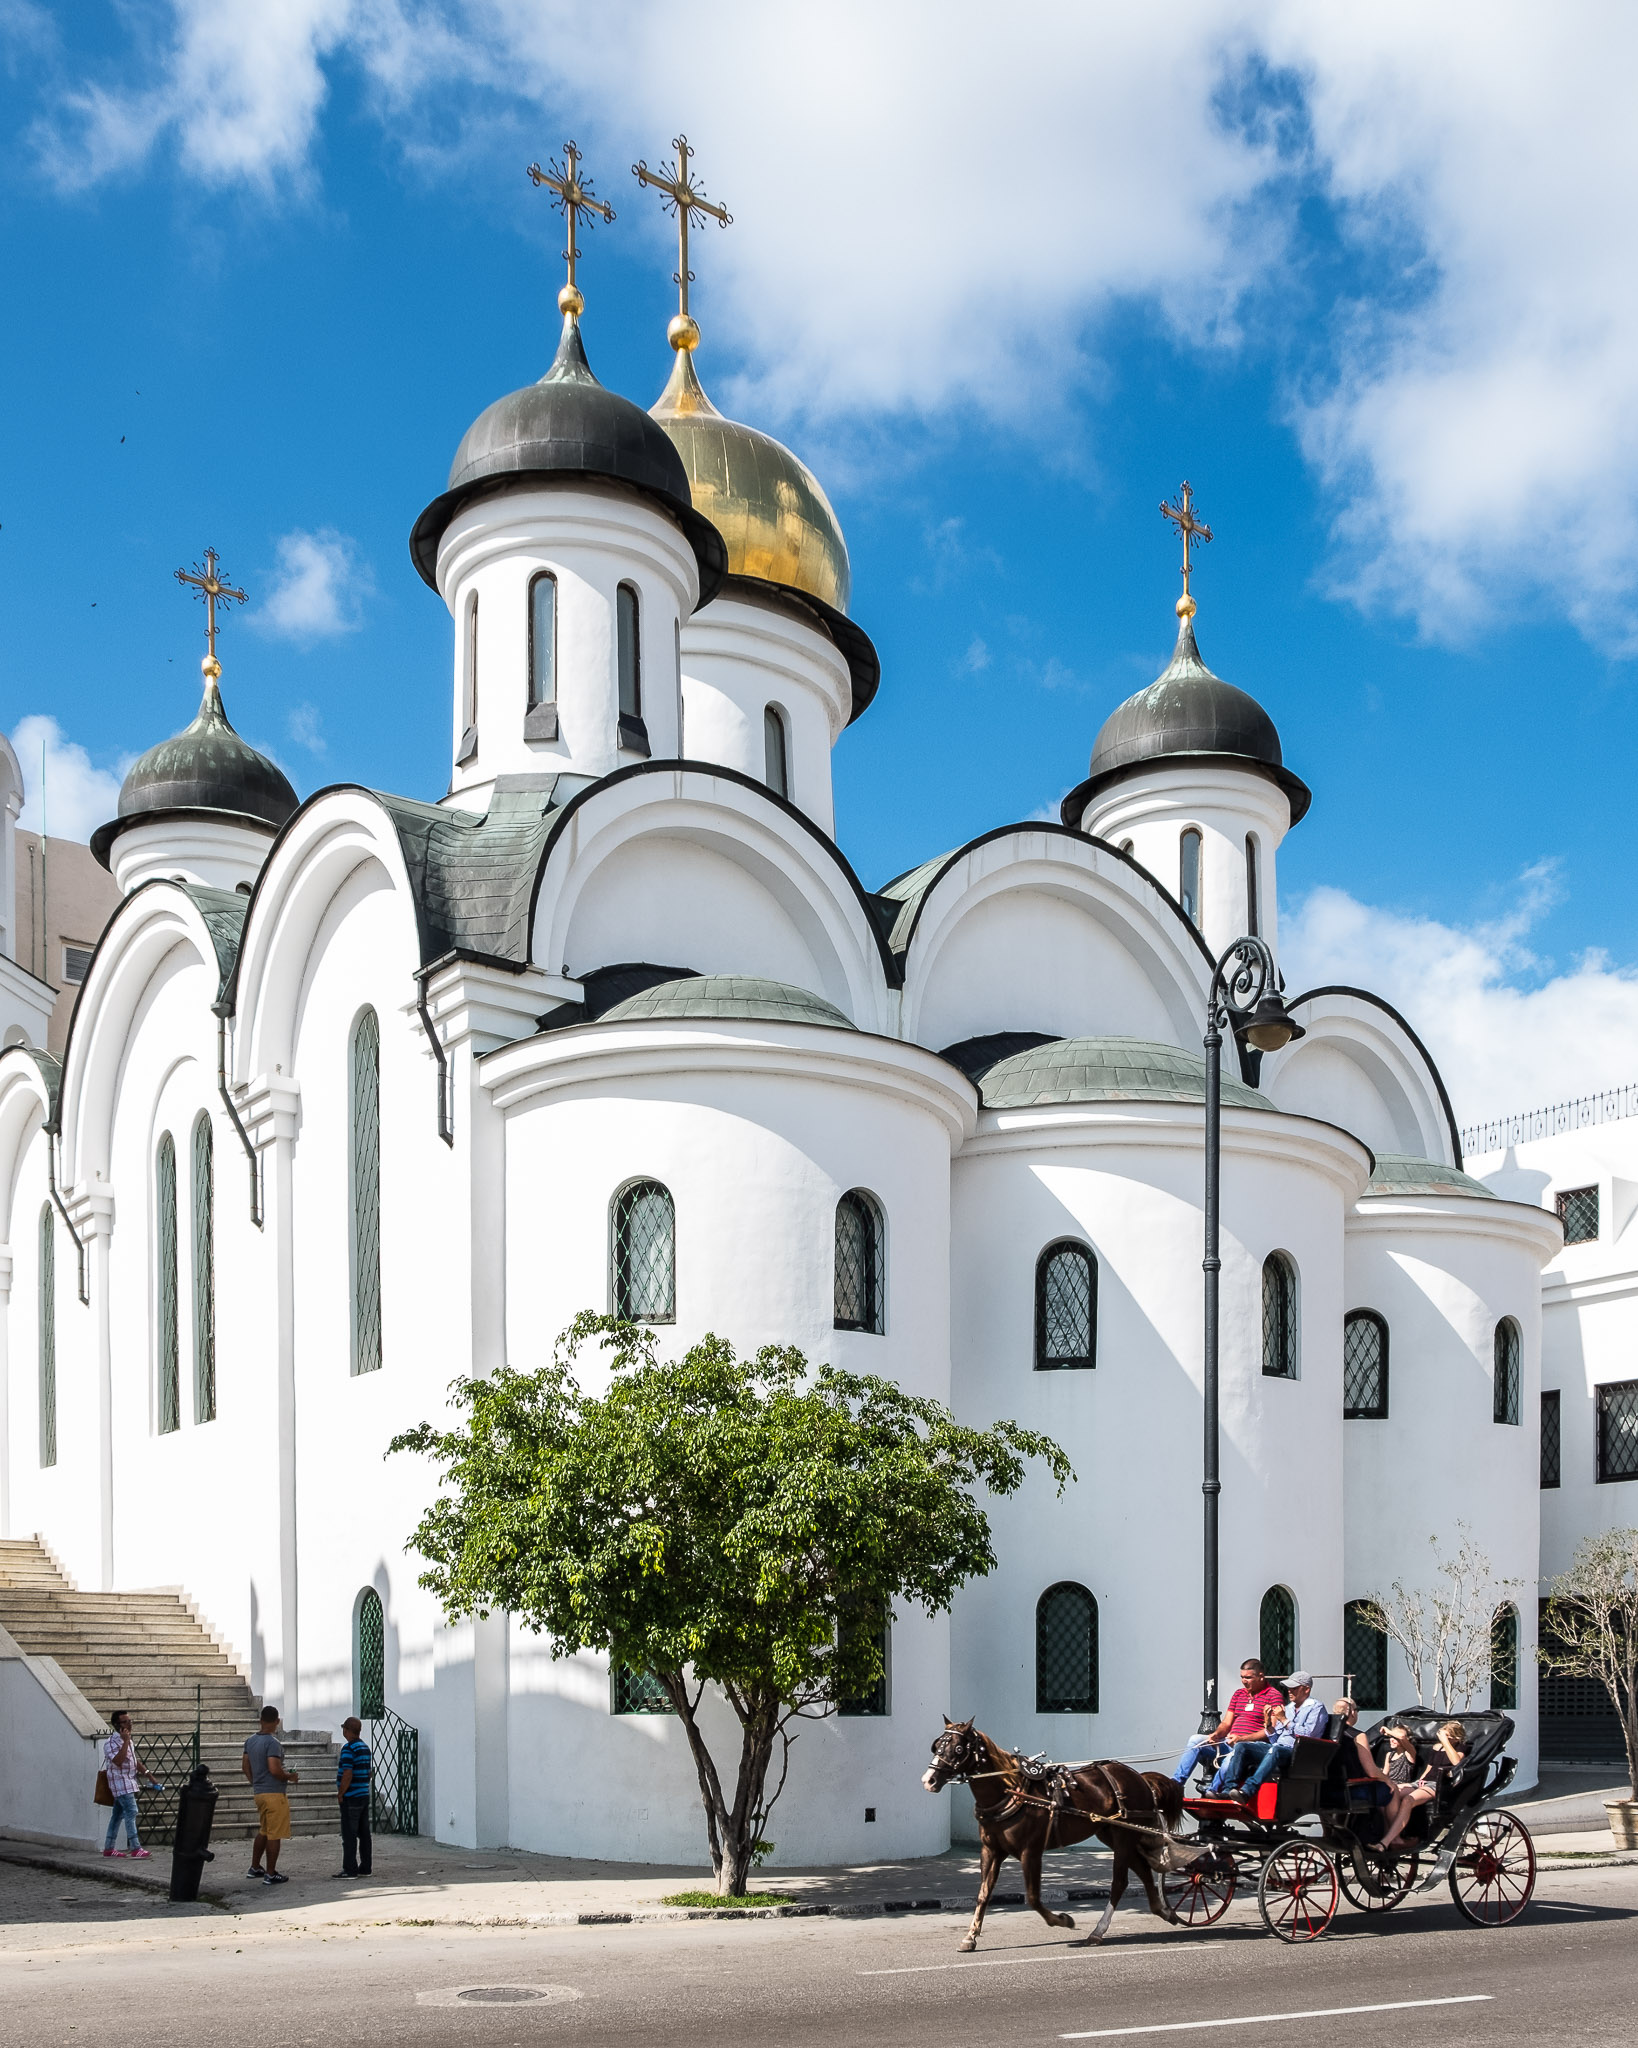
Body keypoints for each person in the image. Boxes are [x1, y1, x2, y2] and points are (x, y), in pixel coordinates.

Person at [1173, 1658, 1285, 1788]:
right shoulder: (1239, 1694)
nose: (1244, 1681)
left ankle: (1213, 1790)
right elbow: (1226, 1723)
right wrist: (1216, 1734)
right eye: (1242, 1677)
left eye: (1248, 1677)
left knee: (1231, 1758)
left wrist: (1242, 1739)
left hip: (1250, 1747)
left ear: (1261, 1676)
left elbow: (1271, 1730)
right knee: (1195, 1740)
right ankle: (1176, 1783)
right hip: (1229, 1741)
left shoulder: (1273, 1696)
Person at [1218, 1671, 1331, 1796]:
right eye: (1288, 1688)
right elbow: (1275, 1738)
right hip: (1278, 1747)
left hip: (1297, 1752)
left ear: (1306, 1689)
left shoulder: (1316, 1707)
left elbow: (1308, 1734)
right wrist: (1268, 1724)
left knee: (1275, 1750)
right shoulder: (1288, 1708)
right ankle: (1228, 1789)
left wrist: (1285, 1720)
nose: (1289, 1691)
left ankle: (1248, 1790)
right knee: (1242, 1746)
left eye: (1294, 1688)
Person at [1377, 1719, 1468, 1851]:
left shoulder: (1460, 1748)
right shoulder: (1437, 1747)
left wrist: (1446, 1742)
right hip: (1424, 1782)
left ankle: (1387, 1841)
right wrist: (1420, 1780)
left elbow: (1456, 1762)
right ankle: (1394, 1836)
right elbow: (1429, 1768)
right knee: (1391, 1791)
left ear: (1455, 1737)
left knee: (1408, 1800)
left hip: (1439, 1785)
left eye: (1447, 1735)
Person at [242, 1704, 300, 1884]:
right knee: (275, 1834)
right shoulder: (273, 1743)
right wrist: (289, 1777)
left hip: (259, 1792)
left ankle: (255, 1867)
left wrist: (255, 1782)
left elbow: (245, 1766)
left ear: (261, 1720)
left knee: (264, 1831)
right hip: (274, 1793)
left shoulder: (250, 1741)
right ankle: (271, 1872)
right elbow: (274, 1769)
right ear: (277, 1721)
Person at [101, 1710, 157, 1860]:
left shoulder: (129, 1741)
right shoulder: (111, 1743)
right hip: (120, 1783)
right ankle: (135, 1848)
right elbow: (118, 1761)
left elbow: (133, 1760)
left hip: (129, 1781)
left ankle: (109, 1847)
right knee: (131, 1812)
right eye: (125, 1722)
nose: (129, 1724)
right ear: (117, 1725)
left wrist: (149, 1775)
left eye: (130, 1721)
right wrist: (125, 1741)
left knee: (117, 1815)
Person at [1334, 1698, 1395, 1813]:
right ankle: (1394, 1826)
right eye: (1357, 1710)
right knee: (1392, 1790)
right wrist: (1388, 1780)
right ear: (1352, 1712)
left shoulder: (1326, 1731)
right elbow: (1371, 1771)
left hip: (1325, 1791)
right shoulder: (1358, 1736)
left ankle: (1328, 1827)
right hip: (1351, 1790)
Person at [334, 1717, 373, 1880]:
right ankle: (366, 1867)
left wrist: (341, 1793)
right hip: (363, 1794)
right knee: (364, 1834)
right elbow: (369, 1772)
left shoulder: (348, 1749)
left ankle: (350, 1869)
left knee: (349, 1835)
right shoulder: (365, 1748)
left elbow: (347, 1773)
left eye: (344, 1728)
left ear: (347, 1730)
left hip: (351, 1796)